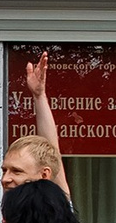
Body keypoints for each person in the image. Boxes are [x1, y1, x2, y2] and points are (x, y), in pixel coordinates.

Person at [6, 53, 74, 197]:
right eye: (4, 170)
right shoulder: (6, 213)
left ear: (44, 175)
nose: (5, 179)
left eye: (17, 171)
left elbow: (53, 155)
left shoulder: (55, 212)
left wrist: (39, 96)